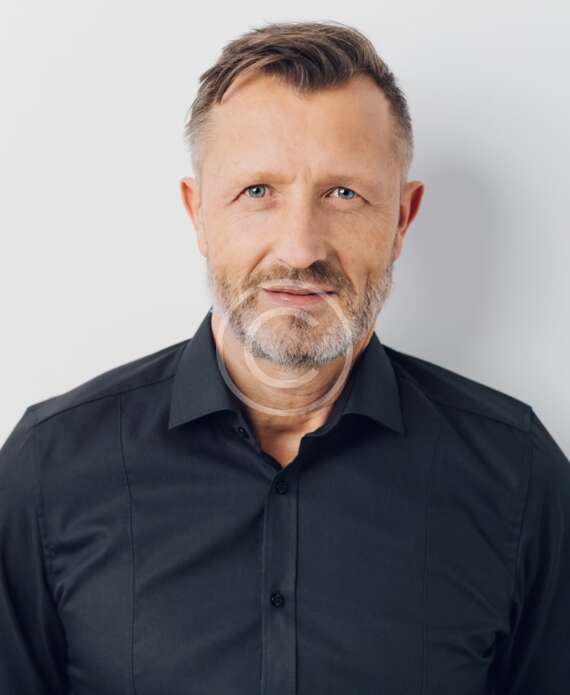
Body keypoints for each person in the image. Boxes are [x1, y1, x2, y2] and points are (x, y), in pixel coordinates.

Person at [1, 19, 568, 695]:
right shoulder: (49, 470)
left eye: (343, 193)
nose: (300, 248)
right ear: (198, 213)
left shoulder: (518, 476)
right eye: (258, 192)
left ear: (401, 219)